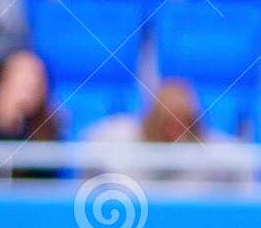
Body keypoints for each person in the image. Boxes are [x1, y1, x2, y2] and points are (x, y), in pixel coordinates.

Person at [82, 77, 251, 187]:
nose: (175, 132)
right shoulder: (113, 138)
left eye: (184, 122)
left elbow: (244, 179)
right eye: (168, 123)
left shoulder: (217, 153)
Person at [0, 49, 64, 178]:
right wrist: (8, 125)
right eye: (20, 83)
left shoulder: (54, 125)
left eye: (33, 83)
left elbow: (49, 174)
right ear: (2, 84)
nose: (27, 90)